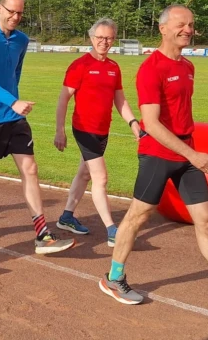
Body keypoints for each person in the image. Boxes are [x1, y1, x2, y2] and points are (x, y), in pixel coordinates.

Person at [98, 4, 208, 318]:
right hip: (158, 155)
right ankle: (114, 278)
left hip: (187, 154)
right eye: (181, 24)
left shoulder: (188, 66)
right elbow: (150, 124)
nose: (188, 30)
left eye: (191, 25)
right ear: (163, 28)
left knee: (207, 221)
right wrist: (193, 155)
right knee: (139, 217)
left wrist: (191, 154)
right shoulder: (151, 69)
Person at [0, 0, 74, 255]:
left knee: (30, 169)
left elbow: (15, 72)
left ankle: (42, 233)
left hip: (14, 118)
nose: (15, 16)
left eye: (20, 12)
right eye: (11, 11)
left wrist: (14, 104)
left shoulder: (22, 40)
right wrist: (11, 101)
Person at [54, 18, 142, 246]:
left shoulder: (113, 68)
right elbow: (64, 98)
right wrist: (59, 131)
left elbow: (119, 99)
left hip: (103, 130)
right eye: (100, 37)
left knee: (84, 174)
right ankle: (112, 230)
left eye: (109, 38)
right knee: (100, 178)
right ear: (91, 38)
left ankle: (66, 217)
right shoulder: (79, 65)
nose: (104, 42)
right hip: (84, 129)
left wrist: (133, 123)